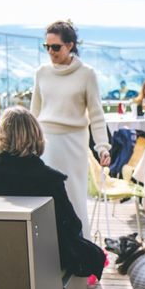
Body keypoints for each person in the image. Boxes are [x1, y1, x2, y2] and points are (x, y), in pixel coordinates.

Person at [0, 106, 103, 276]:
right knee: (89, 251)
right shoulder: (50, 179)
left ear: (2, 134)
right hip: (43, 258)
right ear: (36, 135)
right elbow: (72, 225)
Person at [31, 20, 111, 239]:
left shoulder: (87, 73)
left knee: (74, 197)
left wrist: (102, 147)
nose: (50, 52)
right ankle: (50, 250)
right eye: (46, 46)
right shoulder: (41, 72)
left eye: (55, 47)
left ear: (70, 45)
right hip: (45, 143)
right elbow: (34, 113)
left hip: (74, 142)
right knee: (46, 198)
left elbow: (96, 114)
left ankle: (81, 248)